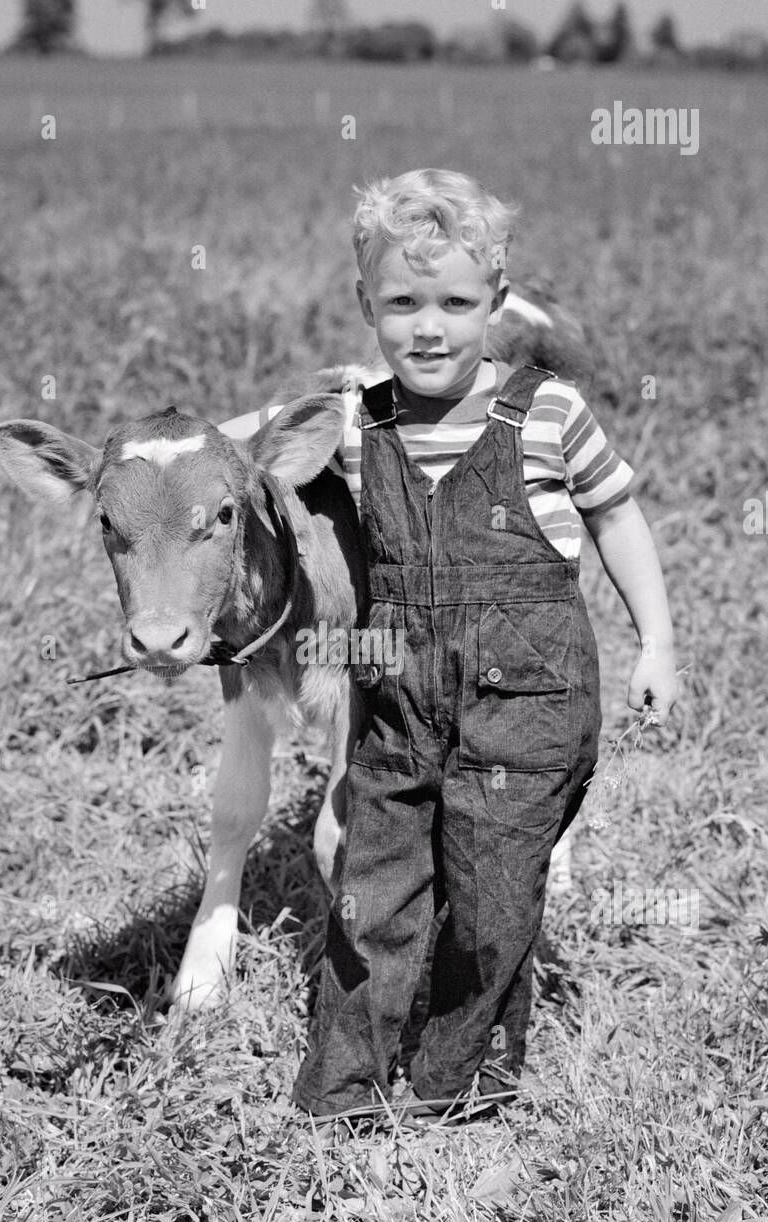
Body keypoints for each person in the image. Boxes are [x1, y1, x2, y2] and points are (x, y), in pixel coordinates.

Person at [225, 168, 678, 1118]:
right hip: (397, 699)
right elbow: (239, 452)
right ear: (364, 306)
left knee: (489, 895)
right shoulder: (351, 421)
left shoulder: (549, 412)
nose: (428, 327)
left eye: (455, 303)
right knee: (372, 890)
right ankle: (340, 1094)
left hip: (527, 704)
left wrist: (656, 642)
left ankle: (458, 1088)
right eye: (401, 303)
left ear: (498, 304)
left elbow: (618, 517)